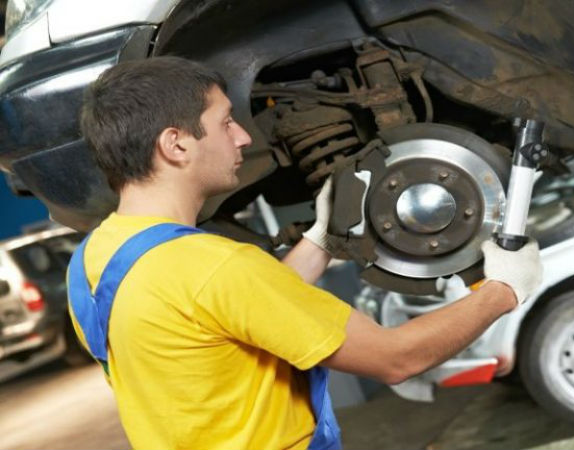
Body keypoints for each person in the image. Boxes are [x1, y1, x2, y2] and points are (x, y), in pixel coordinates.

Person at [68, 56, 543, 450]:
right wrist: (502, 290)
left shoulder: (92, 263)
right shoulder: (214, 266)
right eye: (225, 122)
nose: (243, 138)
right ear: (175, 144)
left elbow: (236, 312)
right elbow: (396, 359)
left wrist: (321, 239)